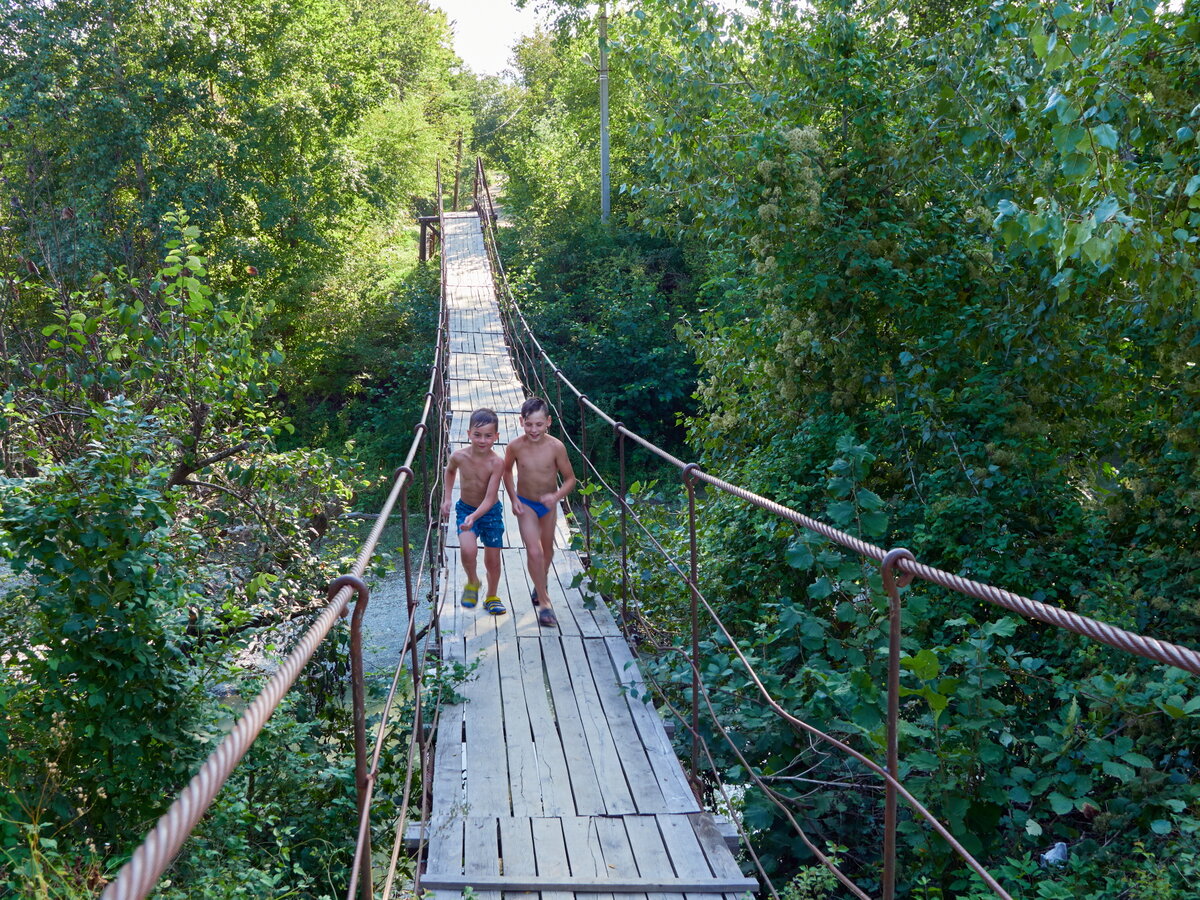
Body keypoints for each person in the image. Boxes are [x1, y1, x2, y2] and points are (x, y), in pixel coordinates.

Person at [503, 397, 576, 628]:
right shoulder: (515, 446)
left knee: (547, 552)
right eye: (529, 424)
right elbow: (506, 472)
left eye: (539, 424)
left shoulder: (556, 447)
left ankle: (540, 581)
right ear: (521, 421)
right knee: (534, 552)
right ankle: (545, 604)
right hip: (526, 505)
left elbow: (570, 479)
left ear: (548, 422)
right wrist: (513, 498)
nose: (533, 429)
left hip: (548, 505)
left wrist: (556, 497)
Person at [440, 408, 506, 615]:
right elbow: (449, 472)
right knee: (468, 551)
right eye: (477, 435)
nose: (482, 440)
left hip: (490, 513)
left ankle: (492, 596)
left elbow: (489, 498)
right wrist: (447, 498)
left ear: (497, 437)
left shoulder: (497, 463)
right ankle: (473, 581)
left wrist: (474, 517)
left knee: (492, 559)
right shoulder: (459, 456)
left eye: (488, 436)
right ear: (468, 433)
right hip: (465, 508)